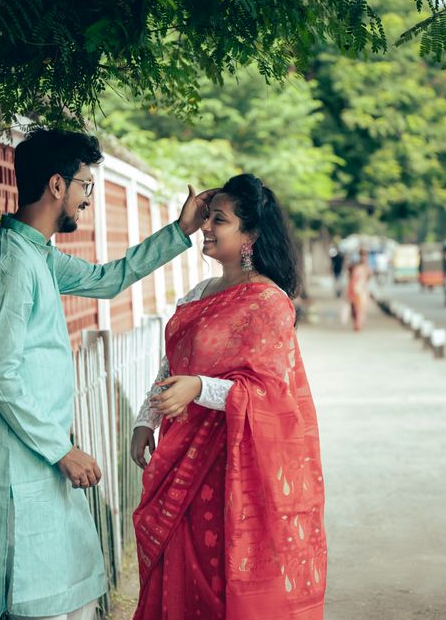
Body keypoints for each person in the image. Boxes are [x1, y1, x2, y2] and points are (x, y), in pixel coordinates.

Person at [0, 127, 215, 620]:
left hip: (47, 457)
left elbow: (108, 279)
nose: (86, 199)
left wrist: (181, 231)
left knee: (75, 603)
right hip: (25, 462)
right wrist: (62, 450)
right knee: (40, 608)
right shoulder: (10, 264)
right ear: (57, 185)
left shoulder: (35, 252)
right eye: (85, 186)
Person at [128, 174, 327, 620]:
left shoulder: (269, 302)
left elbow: (270, 394)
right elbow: (173, 364)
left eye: (219, 219)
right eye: (207, 217)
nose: (207, 227)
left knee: (220, 583)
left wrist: (199, 388)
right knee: (178, 573)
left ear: (250, 235)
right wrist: (146, 418)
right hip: (182, 458)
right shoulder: (200, 294)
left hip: (229, 468)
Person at [346, 250, 372, 331]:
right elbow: (350, 274)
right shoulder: (355, 264)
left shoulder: (366, 267)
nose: (364, 257)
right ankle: (356, 323)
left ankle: (358, 324)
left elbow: (368, 277)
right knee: (354, 307)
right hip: (354, 288)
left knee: (360, 308)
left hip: (361, 290)